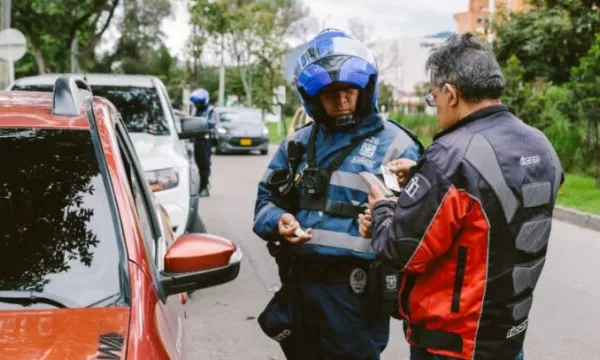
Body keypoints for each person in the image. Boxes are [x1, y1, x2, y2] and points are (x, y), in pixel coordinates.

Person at [359, 33, 564, 360]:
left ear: (451, 93)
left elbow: (402, 250)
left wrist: (382, 207)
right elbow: (494, 209)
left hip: (452, 346)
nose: (435, 106)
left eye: (433, 97)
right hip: (509, 338)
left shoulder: (450, 158)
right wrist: (421, 176)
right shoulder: (541, 145)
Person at [252, 29, 424, 360]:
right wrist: (279, 221)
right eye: (330, 93)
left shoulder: (398, 146)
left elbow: (424, 224)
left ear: (365, 90)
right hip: (300, 289)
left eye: (348, 90)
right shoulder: (297, 146)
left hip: (357, 296)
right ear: (313, 98)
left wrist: (387, 218)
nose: (341, 100)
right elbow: (264, 204)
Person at [189, 88, 216, 197]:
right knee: (198, 162)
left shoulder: (210, 110)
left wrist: (201, 122)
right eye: (195, 102)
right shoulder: (196, 110)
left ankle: (204, 187)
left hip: (206, 140)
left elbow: (212, 123)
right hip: (197, 139)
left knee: (205, 164)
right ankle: (200, 185)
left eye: (198, 102)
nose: (197, 104)